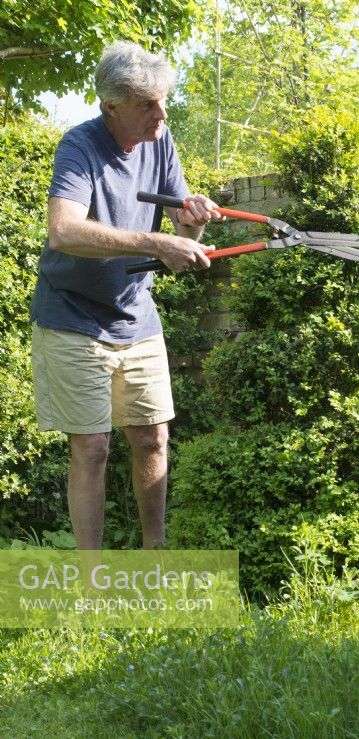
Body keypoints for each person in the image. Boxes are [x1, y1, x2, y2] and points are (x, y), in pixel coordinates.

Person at [30, 41, 221, 550]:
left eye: (163, 101)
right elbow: (64, 232)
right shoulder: (79, 146)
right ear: (111, 106)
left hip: (136, 315)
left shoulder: (161, 141)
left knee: (152, 437)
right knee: (92, 447)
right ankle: (93, 580)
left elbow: (181, 244)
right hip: (72, 316)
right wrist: (154, 240)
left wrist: (188, 224)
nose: (161, 114)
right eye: (147, 104)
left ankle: (153, 558)